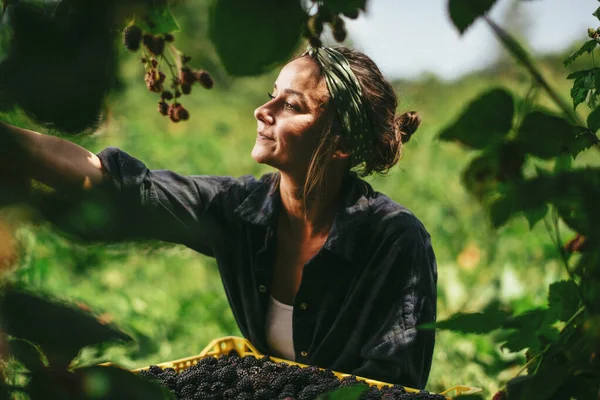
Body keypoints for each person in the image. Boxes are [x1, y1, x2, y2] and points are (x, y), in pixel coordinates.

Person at [0, 46, 437, 389]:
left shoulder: (393, 239)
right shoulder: (240, 209)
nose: (262, 112)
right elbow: (115, 183)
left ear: (340, 141)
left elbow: (391, 384)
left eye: (291, 106)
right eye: (272, 96)